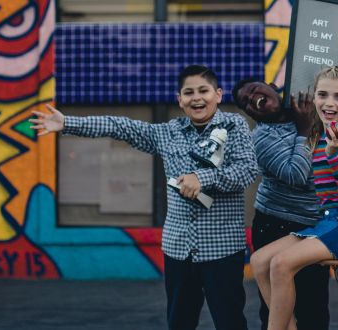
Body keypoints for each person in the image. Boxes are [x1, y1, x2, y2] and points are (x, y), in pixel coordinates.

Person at [30, 65, 257, 330]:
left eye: (203, 91)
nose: (197, 98)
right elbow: (120, 126)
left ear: (218, 95)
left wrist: (202, 178)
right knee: (179, 323)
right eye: (188, 92)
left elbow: (246, 170)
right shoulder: (167, 132)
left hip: (221, 249)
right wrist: (68, 123)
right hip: (178, 249)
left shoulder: (235, 126)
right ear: (179, 99)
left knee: (229, 322)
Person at [248, 65, 338, 330]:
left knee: (281, 264)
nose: (329, 103)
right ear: (314, 97)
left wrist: (334, 155)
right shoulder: (319, 135)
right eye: (323, 95)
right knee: (260, 261)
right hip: (330, 221)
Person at [232, 78, 329, 330]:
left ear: (272, 86)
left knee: (314, 305)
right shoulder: (262, 139)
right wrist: (305, 130)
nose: (253, 99)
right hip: (276, 225)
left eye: (255, 90)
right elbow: (297, 175)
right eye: (246, 103)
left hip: (313, 224)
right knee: (277, 309)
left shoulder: (307, 108)